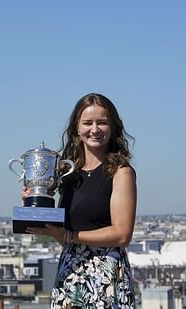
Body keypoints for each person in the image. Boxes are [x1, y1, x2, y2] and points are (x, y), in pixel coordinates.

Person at [25, 93, 137, 308]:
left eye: (102, 122)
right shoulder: (69, 175)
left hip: (105, 278)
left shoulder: (120, 173)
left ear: (113, 127)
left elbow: (122, 235)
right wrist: (34, 200)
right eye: (88, 123)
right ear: (77, 127)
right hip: (70, 274)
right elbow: (69, 239)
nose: (94, 129)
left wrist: (68, 235)